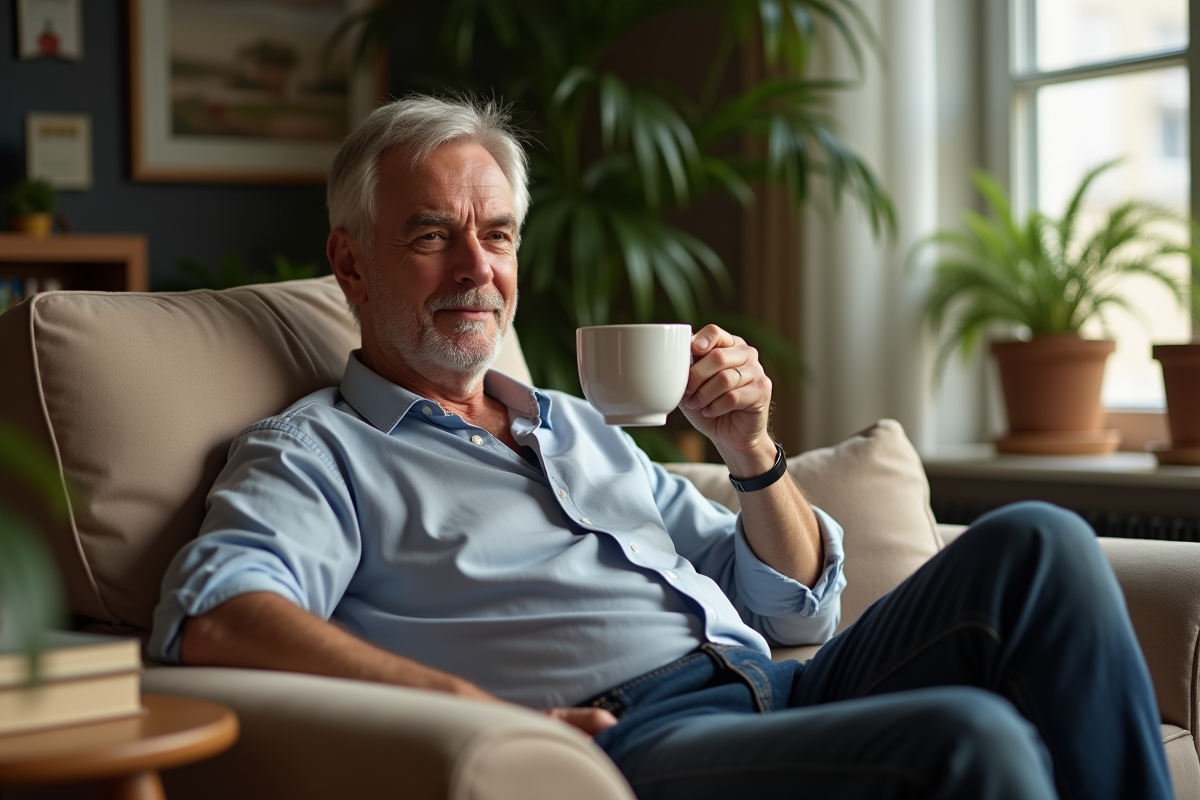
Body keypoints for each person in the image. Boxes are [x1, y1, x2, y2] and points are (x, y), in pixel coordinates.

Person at [151, 94, 1172, 799]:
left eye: (496, 234)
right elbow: (219, 616)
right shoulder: (319, 451)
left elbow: (790, 599)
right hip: (638, 739)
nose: (475, 267)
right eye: (431, 235)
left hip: (780, 686)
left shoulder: (571, 419)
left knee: (1042, 540)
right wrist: (477, 710)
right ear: (351, 263)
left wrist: (752, 450)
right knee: (973, 736)